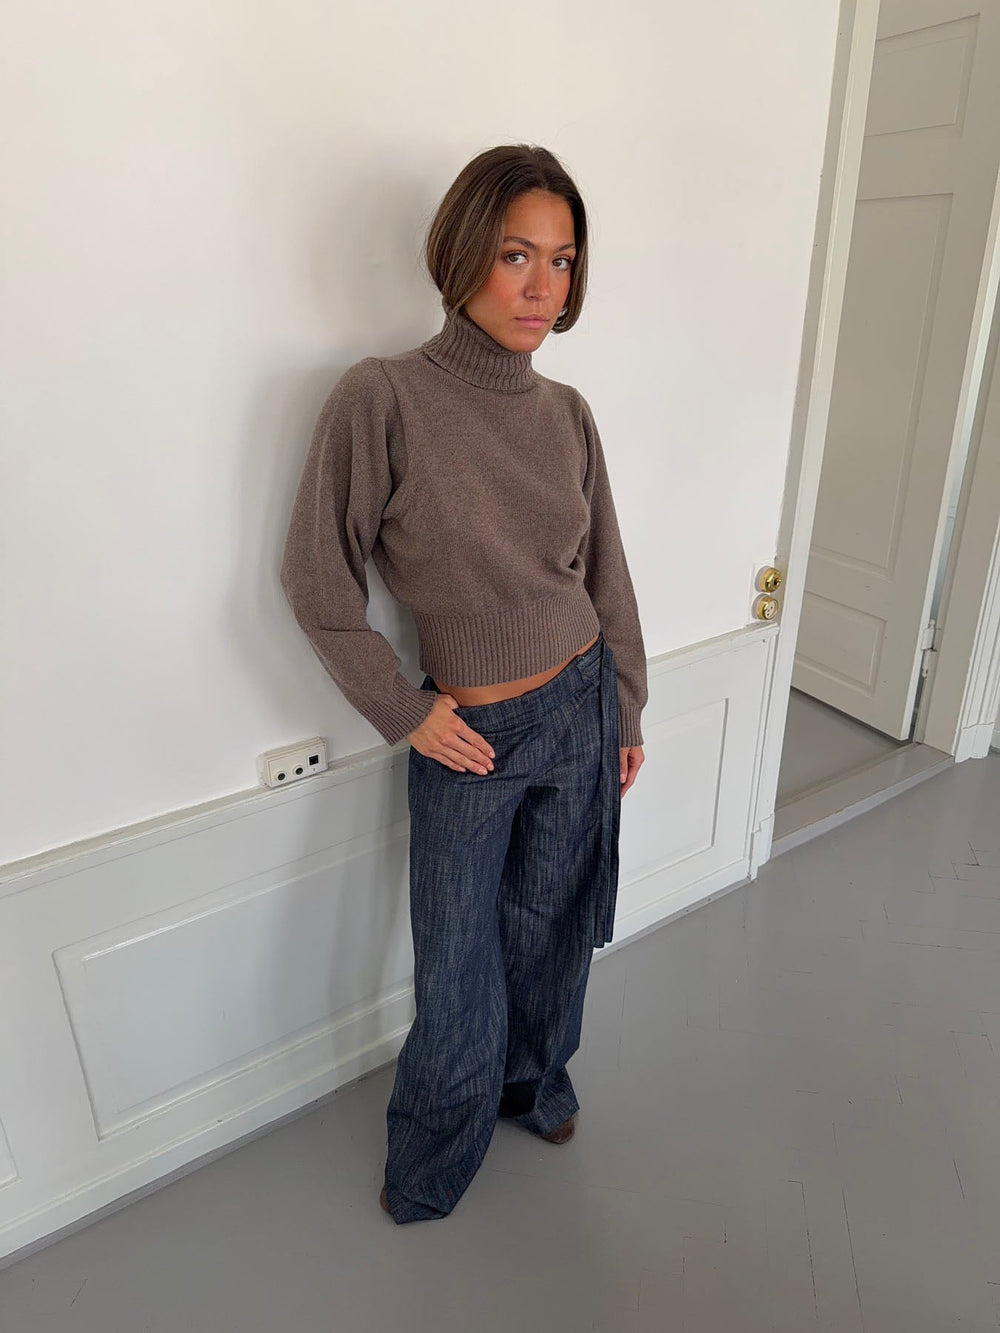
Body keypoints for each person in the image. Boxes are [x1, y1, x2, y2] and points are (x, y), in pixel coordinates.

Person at [279, 143, 648, 1224]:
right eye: (516, 255)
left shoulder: (567, 411)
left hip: (581, 704)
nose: (543, 288)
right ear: (462, 254)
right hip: (469, 736)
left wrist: (625, 703)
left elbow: (607, 572)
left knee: (553, 929)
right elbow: (315, 578)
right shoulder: (383, 396)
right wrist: (405, 711)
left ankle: (535, 1085)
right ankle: (436, 1150)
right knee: (456, 962)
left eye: (562, 261)